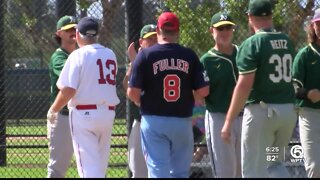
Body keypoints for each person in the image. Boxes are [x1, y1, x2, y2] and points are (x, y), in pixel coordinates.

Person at [127, 11, 210, 178]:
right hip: (182, 121)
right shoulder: (189, 55)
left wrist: (142, 103)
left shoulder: (145, 55)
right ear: (177, 32)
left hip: (154, 121)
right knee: (180, 173)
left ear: (158, 30)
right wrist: (187, 97)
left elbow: (132, 92)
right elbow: (204, 91)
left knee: (158, 171)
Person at [221, 0, 297, 178]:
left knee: (253, 171)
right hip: (287, 113)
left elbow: (244, 85)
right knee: (273, 163)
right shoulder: (286, 41)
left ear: (250, 17)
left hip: (262, 115)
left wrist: (229, 120)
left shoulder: (252, 43)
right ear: (271, 16)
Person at [46, 16, 120, 178]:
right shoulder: (110, 53)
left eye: (75, 30)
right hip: (107, 114)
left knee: (88, 170)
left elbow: (69, 90)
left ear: (78, 34)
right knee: (99, 167)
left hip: (84, 115)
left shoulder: (77, 55)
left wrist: (53, 109)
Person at [200, 11, 241, 178]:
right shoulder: (206, 60)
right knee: (225, 172)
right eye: (220, 28)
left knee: (244, 170)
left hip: (245, 117)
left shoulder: (243, 52)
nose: (225, 32)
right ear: (212, 31)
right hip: (218, 117)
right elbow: (201, 94)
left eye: (228, 28)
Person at [122, 24, 157, 178]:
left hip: (159, 121)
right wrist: (134, 63)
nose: (154, 41)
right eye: (150, 39)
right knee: (138, 168)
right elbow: (126, 86)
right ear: (141, 42)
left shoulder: (163, 60)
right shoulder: (137, 62)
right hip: (140, 120)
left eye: (156, 37)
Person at [47, 15, 77, 178]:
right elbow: (69, 83)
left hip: (80, 115)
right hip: (63, 116)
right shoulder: (59, 56)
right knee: (58, 167)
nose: (73, 31)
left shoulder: (79, 55)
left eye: (75, 28)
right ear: (59, 33)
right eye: (68, 29)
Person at [292, 8, 320, 178]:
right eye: (318, 24)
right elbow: (293, 89)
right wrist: (308, 93)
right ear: (313, 26)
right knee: (315, 167)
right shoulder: (304, 55)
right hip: (309, 115)